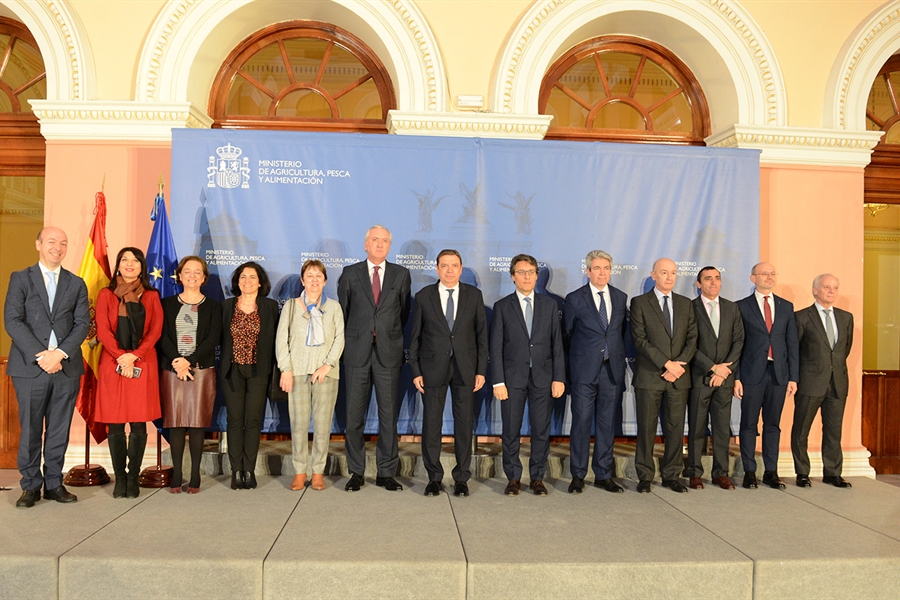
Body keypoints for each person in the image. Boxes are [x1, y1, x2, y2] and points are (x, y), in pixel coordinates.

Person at [4, 226, 89, 508]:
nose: (58, 247)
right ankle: (30, 486)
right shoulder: (21, 278)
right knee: (29, 429)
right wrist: (42, 355)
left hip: (65, 367)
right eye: (52, 241)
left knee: (58, 428)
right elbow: (12, 320)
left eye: (63, 243)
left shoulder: (76, 283)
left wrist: (60, 354)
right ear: (38, 243)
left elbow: (82, 324)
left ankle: (54, 483)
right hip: (30, 367)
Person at [338, 225, 411, 492]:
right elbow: (343, 313)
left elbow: (403, 314)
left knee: (388, 416)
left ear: (390, 246)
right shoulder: (349, 274)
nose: (380, 244)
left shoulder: (402, 275)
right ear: (366, 244)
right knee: (353, 416)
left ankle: (386, 472)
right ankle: (356, 471)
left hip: (388, 354)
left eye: (385, 241)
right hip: (357, 353)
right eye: (375, 240)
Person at [410, 249, 488, 497]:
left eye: (454, 265)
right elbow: (415, 339)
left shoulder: (474, 296)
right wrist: (416, 371)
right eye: (444, 265)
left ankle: (462, 478)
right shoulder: (423, 296)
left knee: (464, 425)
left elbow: (482, 337)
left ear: (461, 268)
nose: (450, 270)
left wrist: (481, 371)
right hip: (432, 369)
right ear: (437, 269)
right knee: (431, 424)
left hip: (466, 369)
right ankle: (434, 478)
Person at [491, 254, 565, 496]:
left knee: (541, 431)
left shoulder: (550, 305)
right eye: (521, 272)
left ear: (537, 275)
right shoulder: (502, 307)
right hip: (512, 381)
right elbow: (496, 347)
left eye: (531, 272)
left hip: (543, 379)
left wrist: (558, 377)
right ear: (513, 277)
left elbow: (557, 345)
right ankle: (513, 478)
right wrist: (498, 381)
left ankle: (537, 478)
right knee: (511, 430)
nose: (526, 276)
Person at [95, 247, 163, 498]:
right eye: (125, 260)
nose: (130, 264)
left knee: (137, 422)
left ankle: (133, 477)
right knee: (114, 424)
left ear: (142, 266)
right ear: (118, 265)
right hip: (113, 363)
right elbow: (102, 329)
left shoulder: (152, 295)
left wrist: (134, 355)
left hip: (141, 362)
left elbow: (155, 331)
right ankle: (120, 478)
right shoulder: (106, 295)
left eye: (135, 260)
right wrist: (120, 356)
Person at [563, 250, 628, 494]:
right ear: (588, 271)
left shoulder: (621, 297)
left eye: (606, 268)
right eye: (597, 268)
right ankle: (578, 475)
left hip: (611, 371)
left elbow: (618, 334)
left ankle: (603, 474)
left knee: (606, 424)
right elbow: (567, 335)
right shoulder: (574, 299)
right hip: (583, 372)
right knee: (580, 423)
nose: (602, 273)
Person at [630, 258, 697, 493]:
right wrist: (666, 364)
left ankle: (671, 475)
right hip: (650, 376)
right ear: (653, 275)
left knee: (676, 428)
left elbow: (692, 339)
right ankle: (645, 476)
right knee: (646, 428)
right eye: (664, 272)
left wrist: (678, 366)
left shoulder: (686, 303)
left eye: (673, 273)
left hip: (679, 377)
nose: (669, 277)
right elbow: (639, 339)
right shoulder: (639, 303)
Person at [276, 260, 345, 491]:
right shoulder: (291, 307)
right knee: (298, 424)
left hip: (326, 373)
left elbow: (339, 340)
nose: (314, 280)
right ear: (303, 280)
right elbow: (281, 341)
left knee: (323, 425)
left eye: (319, 276)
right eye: (309, 276)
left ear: (325, 281)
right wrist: (286, 369)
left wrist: (327, 365)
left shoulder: (333, 307)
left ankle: (317, 471)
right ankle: (299, 471)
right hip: (297, 372)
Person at [158, 256, 221, 494]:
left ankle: (195, 475)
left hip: (201, 370)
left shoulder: (213, 306)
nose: (192, 275)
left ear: (204, 278)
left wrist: (189, 362)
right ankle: (177, 474)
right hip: (172, 370)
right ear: (180, 275)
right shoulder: (166, 304)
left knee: (196, 424)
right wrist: (178, 362)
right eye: (187, 271)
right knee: (175, 424)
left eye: (197, 272)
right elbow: (162, 336)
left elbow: (212, 339)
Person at [734, 262, 799, 490]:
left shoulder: (786, 307)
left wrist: (793, 377)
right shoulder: (741, 307)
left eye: (773, 273)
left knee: (773, 425)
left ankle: (771, 471)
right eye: (765, 273)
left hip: (778, 374)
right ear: (753, 278)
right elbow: (737, 345)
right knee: (749, 424)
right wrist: (737, 377)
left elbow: (792, 344)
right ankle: (749, 471)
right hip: (751, 374)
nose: (770, 277)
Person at [220, 261, 279, 490]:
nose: (247, 281)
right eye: (243, 277)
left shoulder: (270, 306)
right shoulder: (226, 306)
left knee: (253, 422)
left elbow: (275, 340)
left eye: (252, 277)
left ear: (260, 282)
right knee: (234, 421)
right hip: (232, 371)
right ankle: (236, 471)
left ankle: (250, 470)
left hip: (258, 371)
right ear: (237, 281)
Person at [791, 274, 854, 488]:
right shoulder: (801, 317)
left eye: (835, 287)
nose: (831, 291)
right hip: (810, 382)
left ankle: (832, 473)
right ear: (815, 290)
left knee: (834, 431)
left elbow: (842, 351)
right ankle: (802, 473)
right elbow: (795, 352)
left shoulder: (846, 318)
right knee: (801, 430)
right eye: (826, 287)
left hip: (837, 383)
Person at [685, 266, 744, 490]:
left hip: (725, 379)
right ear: (698, 284)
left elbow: (739, 341)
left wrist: (724, 371)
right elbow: (689, 344)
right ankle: (694, 472)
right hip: (700, 377)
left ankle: (721, 473)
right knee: (697, 427)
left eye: (717, 278)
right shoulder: (690, 308)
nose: (713, 283)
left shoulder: (732, 308)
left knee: (721, 428)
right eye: (708, 279)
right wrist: (712, 368)